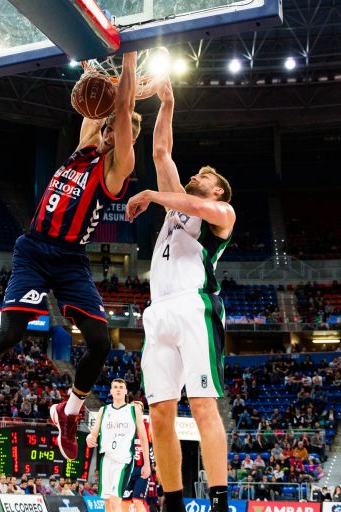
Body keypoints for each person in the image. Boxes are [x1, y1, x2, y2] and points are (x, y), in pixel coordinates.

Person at [0, 52, 142, 461]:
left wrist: (130, 62)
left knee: (99, 342)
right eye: (108, 126)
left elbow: (120, 112)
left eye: (116, 129)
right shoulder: (84, 147)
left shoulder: (117, 169)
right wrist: (98, 75)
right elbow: (97, 108)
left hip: (69, 259)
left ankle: (70, 411)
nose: (108, 131)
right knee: (11, 332)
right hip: (32, 249)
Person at [126, 76, 235, 512]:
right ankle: (172, 502)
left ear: (218, 188)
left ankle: (220, 501)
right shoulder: (176, 207)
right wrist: (167, 100)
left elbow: (203, 208)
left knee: (204, 407)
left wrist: (153, 193)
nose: (192, 176)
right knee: (160, 414)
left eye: (202, 176)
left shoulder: (221, 213)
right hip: (159, 313)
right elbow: (161, 152)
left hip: (195, 307)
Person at [87, 380, 150, 512]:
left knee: (116, 499)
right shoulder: (103, 410)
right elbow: (93, 434)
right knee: (108, 502)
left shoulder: (133, 410)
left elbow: (144, 438)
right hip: (107, 460)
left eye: (121, 387)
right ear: (110, 391)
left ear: (126, 391)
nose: (118, 389)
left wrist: (147, 464)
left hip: (124, 460)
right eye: (115, 387)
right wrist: (89, 438)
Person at [122, 405, 154, 512]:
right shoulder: (125, 427)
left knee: (137, 500)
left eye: (138, 408)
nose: (135, 410)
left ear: (141, 411)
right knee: (124, 502)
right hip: (127, 469)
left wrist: (152, 464)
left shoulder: (147, 426)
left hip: (142, 469)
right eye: (133, 407)